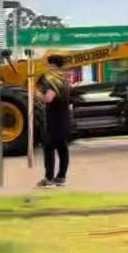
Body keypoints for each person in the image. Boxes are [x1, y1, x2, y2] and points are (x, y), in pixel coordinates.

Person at [36, 57, 71, 188]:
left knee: (49, 147)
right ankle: (61, 177)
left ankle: (49, 178)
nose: (47, 67)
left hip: (54, 118)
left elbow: (48, 99)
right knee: (62, 148)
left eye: (48, 65)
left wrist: (36, 95)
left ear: (53, 66)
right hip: (64, 117)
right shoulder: (64, 80)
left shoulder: (53, 81)